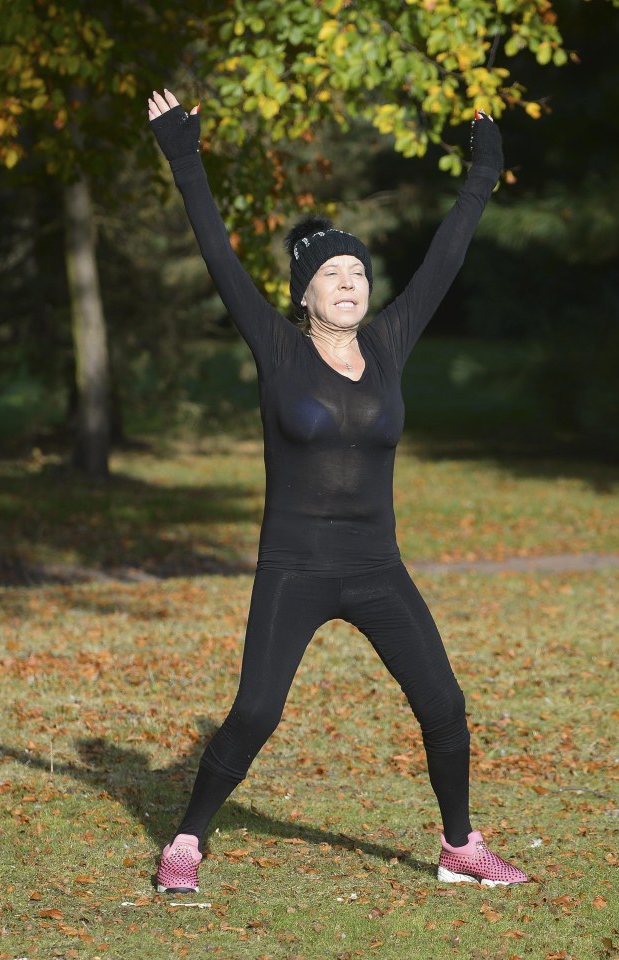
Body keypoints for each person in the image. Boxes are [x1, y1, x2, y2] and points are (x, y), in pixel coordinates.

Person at [147, 87, 527, 893]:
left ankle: (459, 845)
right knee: (255, 714)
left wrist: (483, 172)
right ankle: (185, 840)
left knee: (445, 705)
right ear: (304, 292)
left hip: (375, 565)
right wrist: (184, 157)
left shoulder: (388, 342)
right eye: (332, 272)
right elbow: (216, 252)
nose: (349, 282)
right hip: (294, 564)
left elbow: (445, 257)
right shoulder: (279, 352)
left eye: (357, 271)